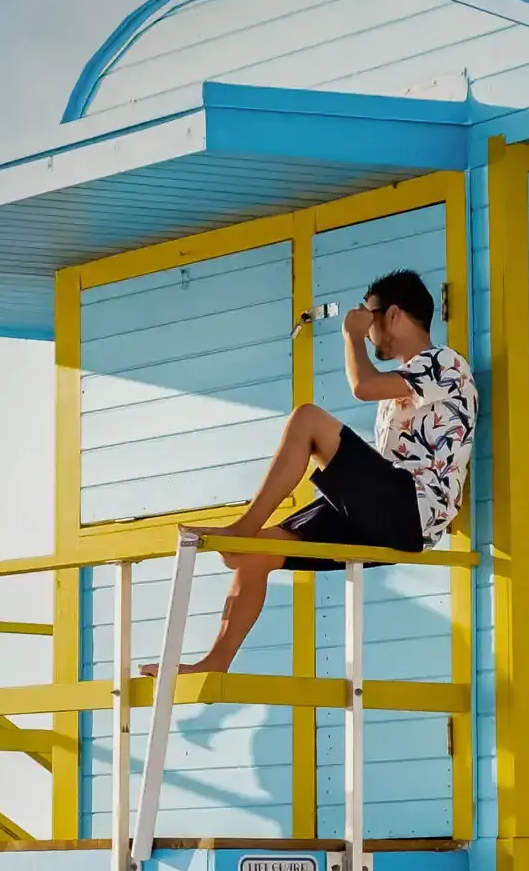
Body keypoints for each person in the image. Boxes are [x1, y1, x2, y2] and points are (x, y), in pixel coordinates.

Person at [155, 268, 476, 675]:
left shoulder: (444, 363)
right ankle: (216, 661)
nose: (366, 324)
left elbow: (361, 384)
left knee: (307, 419)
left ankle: (242, 529)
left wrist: (350, 335)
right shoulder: (405, 382)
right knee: (258, 556)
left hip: (411, 509)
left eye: (370, 316)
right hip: (386, 511)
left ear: (393, 316)